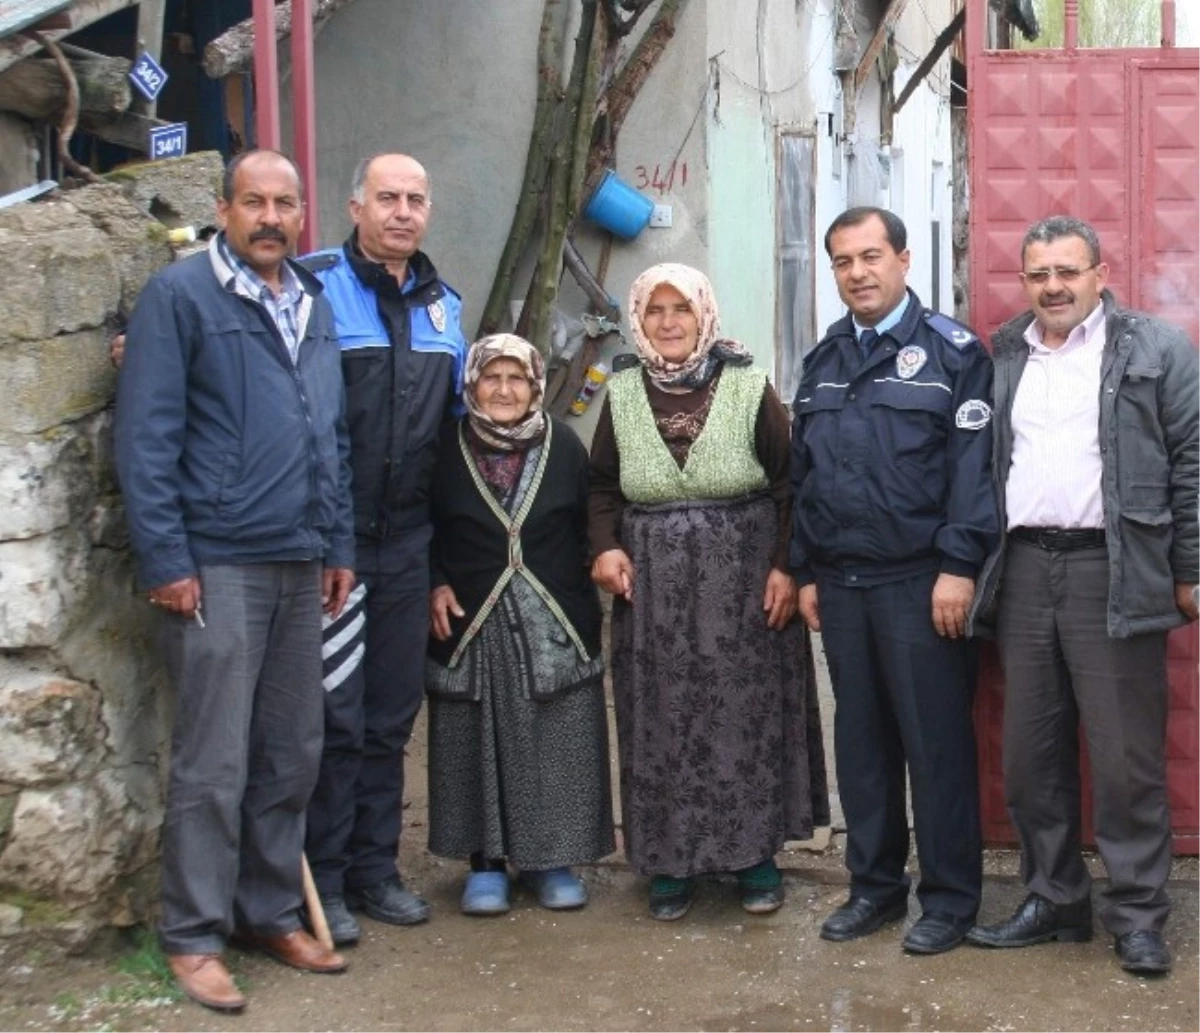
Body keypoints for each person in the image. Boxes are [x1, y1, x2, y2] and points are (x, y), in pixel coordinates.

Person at [114, 149, 354, 1012]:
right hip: (217, 558)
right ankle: (192, 933)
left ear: (301, 215)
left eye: (284, 204)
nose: (269, 218)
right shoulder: (180, 299)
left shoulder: (312, 304)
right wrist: (167, 559)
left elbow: (331, 437)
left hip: (299, 556)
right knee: (214, 759)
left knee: (293, 748)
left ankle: (266, 910)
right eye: (253, 202)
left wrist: (339, 543)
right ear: (223, 209)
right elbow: (145, 438)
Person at [966, 216, 1200, 975]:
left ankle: (1137, 914)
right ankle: (1055, 898)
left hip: (1117, 566)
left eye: (1068, 271)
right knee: (1031, 753)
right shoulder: (1004, 351)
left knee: (1125, 755)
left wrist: (1190, 567)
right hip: (1027, 566)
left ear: (1100, 272)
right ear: (1025, 280)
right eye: (1039, 274)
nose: (1054, 286)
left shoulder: (1156, 348)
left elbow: (1191, 464)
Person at [590, 262, 828, 921]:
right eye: (655, 312)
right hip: (655, 588)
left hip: (744, 584)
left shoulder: (750, 387)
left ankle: (754, 855)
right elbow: (602, 487)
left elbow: (788, 483)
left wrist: (785, 566)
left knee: (743, 713)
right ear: (639, 321)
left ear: (704, 316)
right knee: (661, 715)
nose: (669, 323)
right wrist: (606, 546)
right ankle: (669, 862)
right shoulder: (624, 391)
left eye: (681, 310)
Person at [791, 206, 998, 955]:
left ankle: (947, 899)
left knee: (935, 744)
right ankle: (874, 889)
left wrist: (959, 565)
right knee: (864, 744)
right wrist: (805, 567)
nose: (858, 272)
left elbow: (975, 475)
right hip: (841, 587)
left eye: (872, 256)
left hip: (922, 584)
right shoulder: (823, 362)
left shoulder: (953, 354)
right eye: (843, 261)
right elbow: (805, 476)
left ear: (905, 260)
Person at [299, 154, 467, 944]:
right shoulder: (311, 287)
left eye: (415, 200)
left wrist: (438, 568)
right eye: (387, 198)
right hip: (329, 551)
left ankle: (376, 869)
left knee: (389, 717)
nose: (402, 212)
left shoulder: (444, 309)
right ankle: (324, 880)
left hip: (405, 551)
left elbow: (451, 445)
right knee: (332, 717)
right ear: (355, 203)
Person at [426, 334, 614, 915]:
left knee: (555, 737)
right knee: (474, 737)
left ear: (535, 386)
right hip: (472, 619)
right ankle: (485, 865)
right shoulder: (443, 449)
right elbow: (422, 526)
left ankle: (551, 861)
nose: (504, 390)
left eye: (517, 379)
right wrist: (433, 581)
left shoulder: (565, 447)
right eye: (492, 378)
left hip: (552, 617)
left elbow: (590, 525)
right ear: (472, 385)